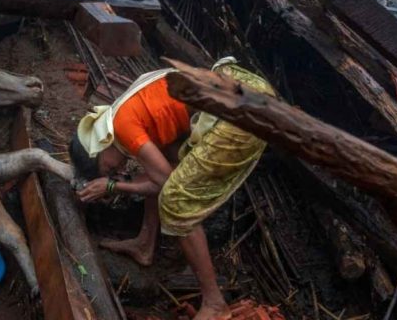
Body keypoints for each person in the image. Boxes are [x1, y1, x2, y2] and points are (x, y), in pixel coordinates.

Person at [69, 57, 277, 320]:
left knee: (176, 200)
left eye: (108, 168)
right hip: (244, 87)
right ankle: (146, 244)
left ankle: (214, 303)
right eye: (112, 173)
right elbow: (161, 167)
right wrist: (120, 182)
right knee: (159, 168)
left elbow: (165, 183)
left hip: (242, 106)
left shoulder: (123, 127)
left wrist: (112, 185)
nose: (117, 170)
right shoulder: (123, 112)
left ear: (100, 146)